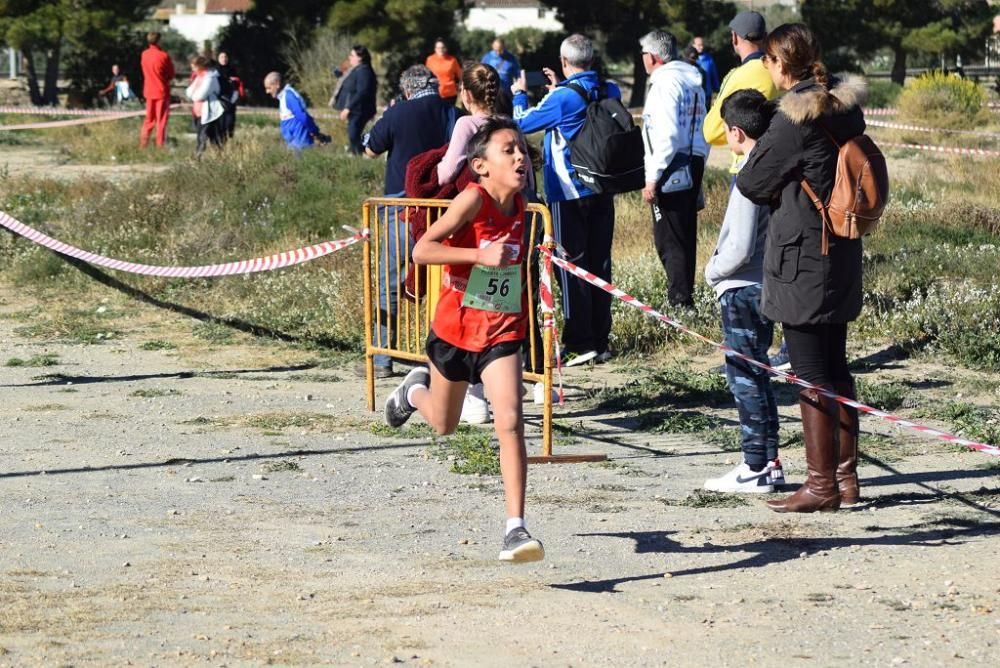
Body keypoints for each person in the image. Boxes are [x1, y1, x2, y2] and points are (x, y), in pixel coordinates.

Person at [384, 116, 544, 563]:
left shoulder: (522, 203)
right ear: (480, 165)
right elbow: (422, 250)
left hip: (501, 329)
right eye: (507, 150)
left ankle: (516, 528)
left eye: (521, 150)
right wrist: (479, 255)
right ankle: (415, 391)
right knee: (444, 424)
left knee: (509, 421)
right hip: (455, 330)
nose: (519, 157)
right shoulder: (471, 200)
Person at [736, 23, 868, 513]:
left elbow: (752, 181)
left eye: (768, 63)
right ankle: (845, 479)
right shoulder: (847, 107)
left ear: (778, 63)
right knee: (836, 366)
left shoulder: (795, 115)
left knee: (812, 371)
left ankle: (821, 487)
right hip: (842, 246)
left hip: (803, 255)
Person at [511, 33, 618, 367]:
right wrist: (559, 88)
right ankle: (600, 339)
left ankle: (577, 342)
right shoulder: (608, 88)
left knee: (570, 266)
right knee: (600, 265)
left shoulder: (563, 99)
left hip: (568, 192)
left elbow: (521, 123)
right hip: (602, 187)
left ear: (563, 61)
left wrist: (518, 95)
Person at [702, 89, 783, 494]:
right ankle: (769, 462)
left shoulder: (750, 177)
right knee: (760, 375)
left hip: (742, 288)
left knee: (745, 379)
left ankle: (754, 466)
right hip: (766, 285)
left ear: (735, 133)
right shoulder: (775, 169)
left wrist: (712, 272)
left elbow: (738, 246)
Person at [363, 65, 459, 378]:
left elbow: (370, 150)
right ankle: (439, 356)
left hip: (401, 208)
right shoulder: (452, 113)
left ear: (407, 89)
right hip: (443, 210)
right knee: (441, 284)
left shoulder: (397, 113)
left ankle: (383, 358)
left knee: (390, 282)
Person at [640, 30, 708, 310]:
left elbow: (665, 134)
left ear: (654, 57)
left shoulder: (664, 85)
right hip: (692, 160)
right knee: (684, 234)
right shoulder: (692, 80)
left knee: (669, 238)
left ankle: (679, 301)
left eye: (644, 53)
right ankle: (683, 294)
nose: (642, 58)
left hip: (671, 166)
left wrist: (652, 177)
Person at [703, 11, 778, 177]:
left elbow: (710, 132)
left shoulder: (737, 76)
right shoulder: (781, 70)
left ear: (734, 38)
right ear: (765, 37)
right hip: (783, 165)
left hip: (747, 167)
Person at [263, 72, 327, 150]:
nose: (267, 91)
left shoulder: (289, 96)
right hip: (294, 141)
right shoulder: (283, 97)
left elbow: (303, 116)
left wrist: (314, 131)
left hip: (300, 143)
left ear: (277, 84)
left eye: (269, 88)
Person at [337, 45, 378, 155]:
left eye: (352, 55)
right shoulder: (357, 70)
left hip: (359, 110)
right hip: (356, 110)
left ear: (360, 58)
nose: (349, 57)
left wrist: (348, 108)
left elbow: (362, 92)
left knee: (353, 135)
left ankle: (363, 155)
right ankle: (358, 154)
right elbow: (337, 73)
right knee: (353, 136)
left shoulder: (364, 71)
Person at [139, 32, 175, 148]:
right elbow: (171, 74)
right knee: (161, 120)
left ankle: (143, 144)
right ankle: (160, 145)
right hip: (161, 91)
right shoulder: (163, 55)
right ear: (159, 41)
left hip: (149, 91)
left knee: (149, 119)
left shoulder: (144, 54)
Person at [185, 55, 225, 155]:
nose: (192, 68)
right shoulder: (199, 77)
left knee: (203, 137)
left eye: (194, 66)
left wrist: (194, 95)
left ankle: (198, 157)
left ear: (200, 66)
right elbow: (188, 92)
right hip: (198, 112)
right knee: (209, 136)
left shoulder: (210, 77)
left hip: (209, 112)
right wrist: (194, 94)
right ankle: (218, 156)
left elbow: (200, 95)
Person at [425, 38, 463, 105]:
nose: (441, 50)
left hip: (450, 93)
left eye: (442, 47)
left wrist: (461, 90)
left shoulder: (452, 60)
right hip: (435, 92)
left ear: (446, 48)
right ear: (435, 49)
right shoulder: (430, 60)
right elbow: (426, 76)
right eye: (438, 48)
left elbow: (460, 75)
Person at [215, 51, 244, 140]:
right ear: (218, 59)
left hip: (231, 98)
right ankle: (220, 141)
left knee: (230, 121)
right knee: (220, 122)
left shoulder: (233, 70)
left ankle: (229, 138)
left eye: (225, 57)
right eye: (221, 57)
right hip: (219, 99)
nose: (224, 59)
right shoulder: (215, 71)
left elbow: (238, 83)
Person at [692, 36, 721, 102]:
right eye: (699, 45)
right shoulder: (689, 60)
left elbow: (714, 76)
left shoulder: (709, 59)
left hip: (707, 95)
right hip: (693, 95)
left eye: (702, 45)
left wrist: (718, 91)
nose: (701, 47)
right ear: (694, 45)